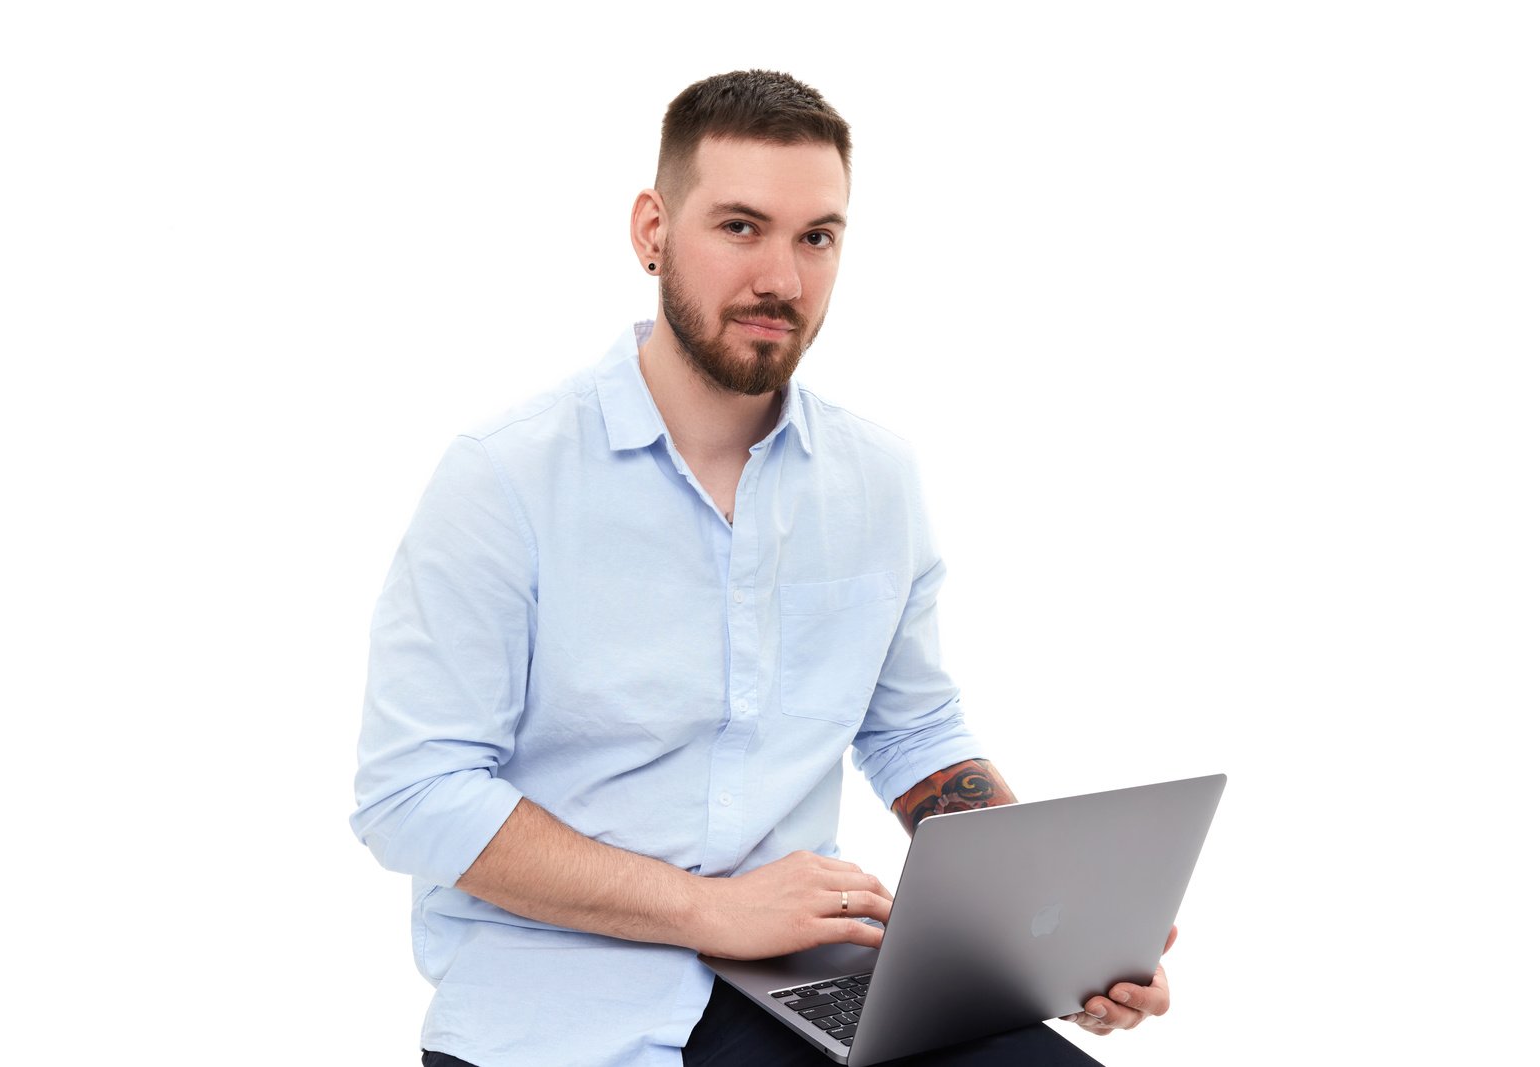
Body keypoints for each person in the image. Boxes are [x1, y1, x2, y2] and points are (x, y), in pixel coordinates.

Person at [352, 70, 1174, 1066]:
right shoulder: (504, 477)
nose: (781, 278)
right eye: (740, 227)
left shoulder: (874, 479)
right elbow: (413, 791)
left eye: (816, 236)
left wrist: (1047, 924)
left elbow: (911, 729)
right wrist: (713, 909)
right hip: (558, 1005)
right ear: (652, 230)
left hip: (807, 976)